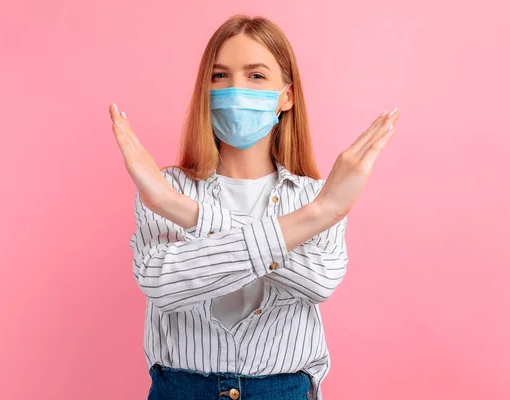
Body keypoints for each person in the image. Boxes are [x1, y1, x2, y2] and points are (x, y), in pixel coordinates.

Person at [108, 14, 399, 400]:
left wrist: (186, 213)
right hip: (181, 389)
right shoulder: (166, 186)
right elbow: (162, 283)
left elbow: (318, 283)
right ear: (204, 91)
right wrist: (315, 218)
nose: (235, 88)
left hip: (283, 389)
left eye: (256, 75)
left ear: (287, 96)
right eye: (220, 76)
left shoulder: (314, 194)